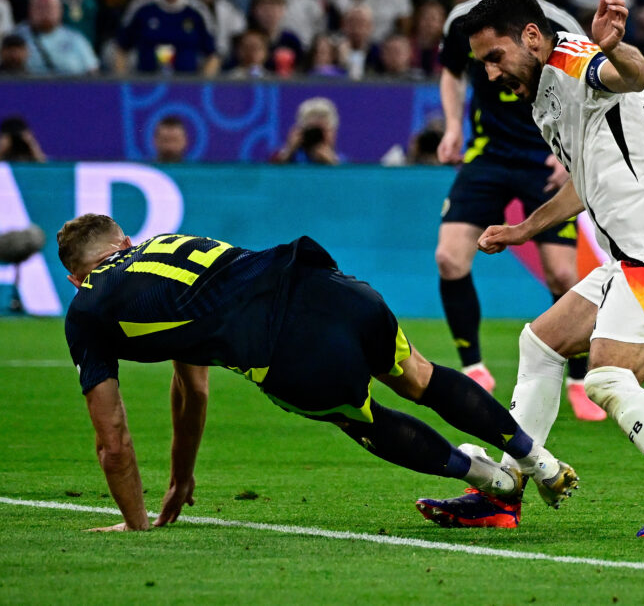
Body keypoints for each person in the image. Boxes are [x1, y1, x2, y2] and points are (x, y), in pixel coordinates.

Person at [416, 0, 644, 538]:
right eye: (482, 65)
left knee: (608, 377)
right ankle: (506, 490)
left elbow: (634, 76)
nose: (490, 75)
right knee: (540, 342)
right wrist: (523, 230)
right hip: (634, 258)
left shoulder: (574, 59)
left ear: (533, 37)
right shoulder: (543, 97)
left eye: (496, 57)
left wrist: (612, 47)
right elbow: (583, 185)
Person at [55, 213, 578, 532]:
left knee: (364, 418)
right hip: (327, 283)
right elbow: (191, 385)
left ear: (76, 276)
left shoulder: (87, 309)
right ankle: (539, 460)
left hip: (285, 347)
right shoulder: (165, 247)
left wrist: (136, 520)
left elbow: (114, 440)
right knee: (419, 374)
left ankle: (491, 478)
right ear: (124, 243)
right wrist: (182, 474)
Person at [434, 0, 605, 421]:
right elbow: (450, 71)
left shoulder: (560, 25)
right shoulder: (462, 22)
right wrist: (451, 126)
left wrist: (570, 153)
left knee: (561, 274)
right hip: (487, 155)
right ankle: (474, 369)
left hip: (543, 156)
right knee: (449, 258)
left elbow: (586, 90)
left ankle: (577, 379)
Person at [13, 0, 100, 75]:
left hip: (70, 87)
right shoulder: (16, 38)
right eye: (40, 7)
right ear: (30, 10)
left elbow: (92, 70)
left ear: (60, 10)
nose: (44, 12)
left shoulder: (76, 39)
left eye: (49, 7)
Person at [269, 96, 342, 165]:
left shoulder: (344, 163)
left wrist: (333, 163)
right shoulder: (284, 158)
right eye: (313, 130)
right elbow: (267, 173)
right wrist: (288, 151)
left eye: (321, 131)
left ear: (333, 132)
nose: (316, 136)